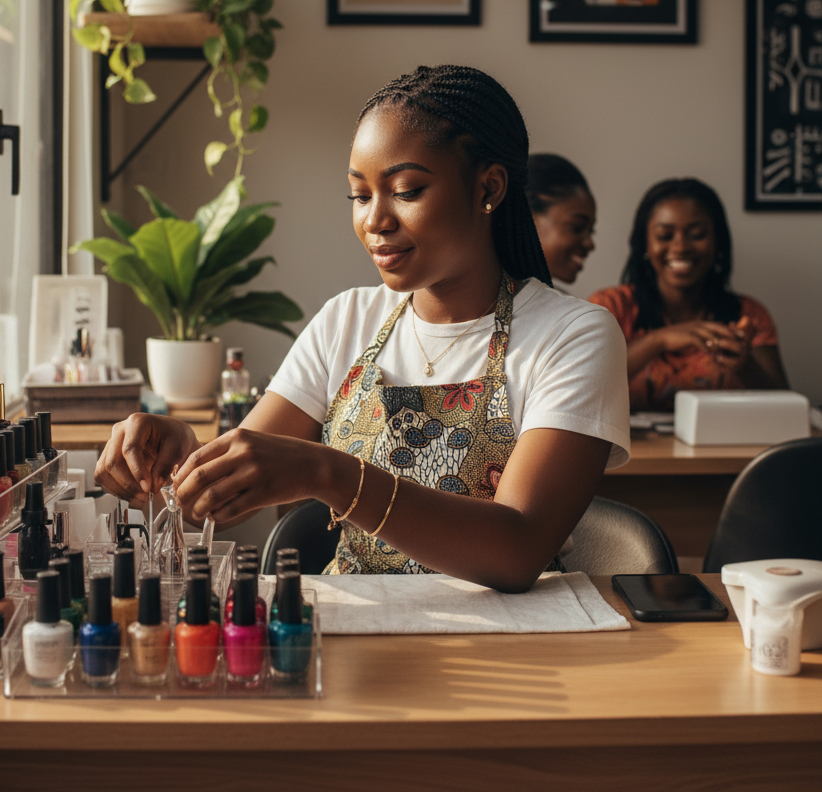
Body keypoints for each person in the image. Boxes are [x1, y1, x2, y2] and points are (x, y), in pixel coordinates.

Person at [96, 65, 630, 592]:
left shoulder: (573, 335)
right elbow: (224, 497)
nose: (375, 220)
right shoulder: (346, 321)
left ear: (488, 187)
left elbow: (517, 550)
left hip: (519, 652)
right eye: (359, 195)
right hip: (358, 641)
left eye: (405, 189)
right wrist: (179, 461)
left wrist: (329, 473)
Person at [589, 178, 788, 412]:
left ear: (717, 242)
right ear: (644, 243)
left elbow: (784, 405)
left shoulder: (748, 313)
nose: (681, 247)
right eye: (665, 235)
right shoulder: (610, 307)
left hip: (723, 448)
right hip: (630, 449)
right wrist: (657, 341)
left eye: (697, 234)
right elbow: (583, 384)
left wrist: (744, 365)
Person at [526, 153, 596, 286]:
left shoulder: (568, 305)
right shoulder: (481, 299)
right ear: (527, 220)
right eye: (577, 227)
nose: (590, 244)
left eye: (591, 231)